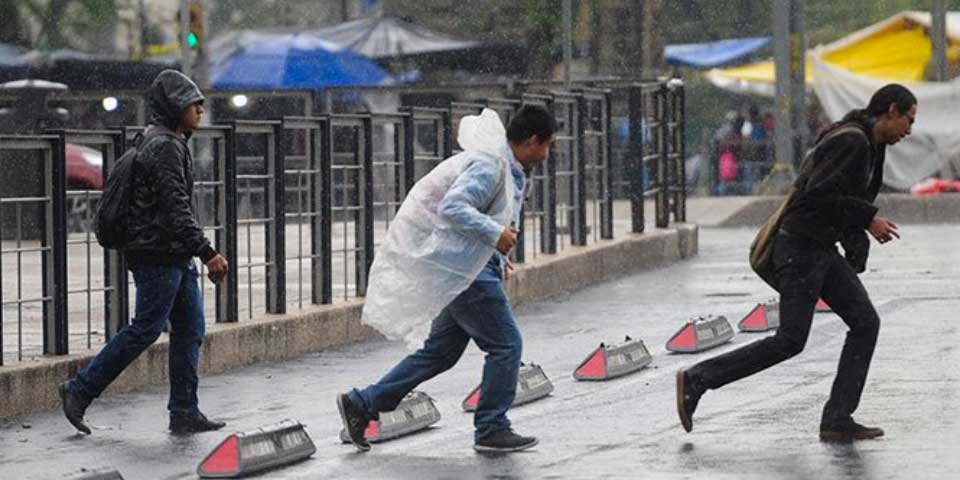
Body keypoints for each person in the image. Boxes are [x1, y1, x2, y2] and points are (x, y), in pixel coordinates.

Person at [677, 84, 916, 442]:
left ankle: (837, 418)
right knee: (790, 339)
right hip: (801, 247)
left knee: (865, 322)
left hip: (819, 249)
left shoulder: (872, 146)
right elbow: (819, 195)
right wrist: (868, 220)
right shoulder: (852, 140)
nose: (909, 131)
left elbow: (847, 200)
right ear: (892, 110)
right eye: (908, 121)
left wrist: (856, 250)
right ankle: (698, 378)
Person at [336, 106, 557, 453]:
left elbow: (489, 216)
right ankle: (491, 428)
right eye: (547, 145)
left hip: (468, 267)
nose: (546, 154)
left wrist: (498, 254)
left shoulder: (505, 165)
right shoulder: (490, 165)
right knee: (506, 344)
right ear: (532, 141)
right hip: (464, 272)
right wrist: (494, 234)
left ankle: (363, 402)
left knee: (439, 353)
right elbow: (453, 207)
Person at [59, 69, 229, 435]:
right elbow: (175, 208)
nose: (200, 109)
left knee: (189, 329)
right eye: (191, 103)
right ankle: (78, 390)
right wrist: (207, 251)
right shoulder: (165, 146)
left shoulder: (163, 139)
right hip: (158, 255)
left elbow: (174, 209)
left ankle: (184, 411)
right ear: (173, 107)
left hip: (172, 254)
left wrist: (193, 252)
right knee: (144, 330)